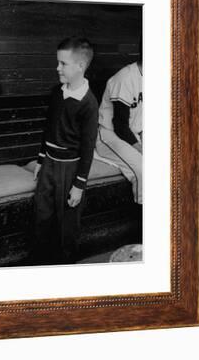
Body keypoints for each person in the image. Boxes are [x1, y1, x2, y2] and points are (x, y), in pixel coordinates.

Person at [31, 37, 99, 264]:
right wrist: (41, 160)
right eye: (57, 62)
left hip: (70, 170)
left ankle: (65, 266)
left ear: (80, 66)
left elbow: (88, 147)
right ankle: (41, 262)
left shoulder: (89, 104)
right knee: (42, 215)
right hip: (49, 164)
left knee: (66, 224)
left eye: (63, 63)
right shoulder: (56, 93)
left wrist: (79, 185)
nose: (57, 68)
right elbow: (49, 128)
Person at [95, 58, 143, 204]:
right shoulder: (125, 78)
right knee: (143, 169)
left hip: (133, 135)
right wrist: (141, 149)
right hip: (109, 135)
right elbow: (120, 125)